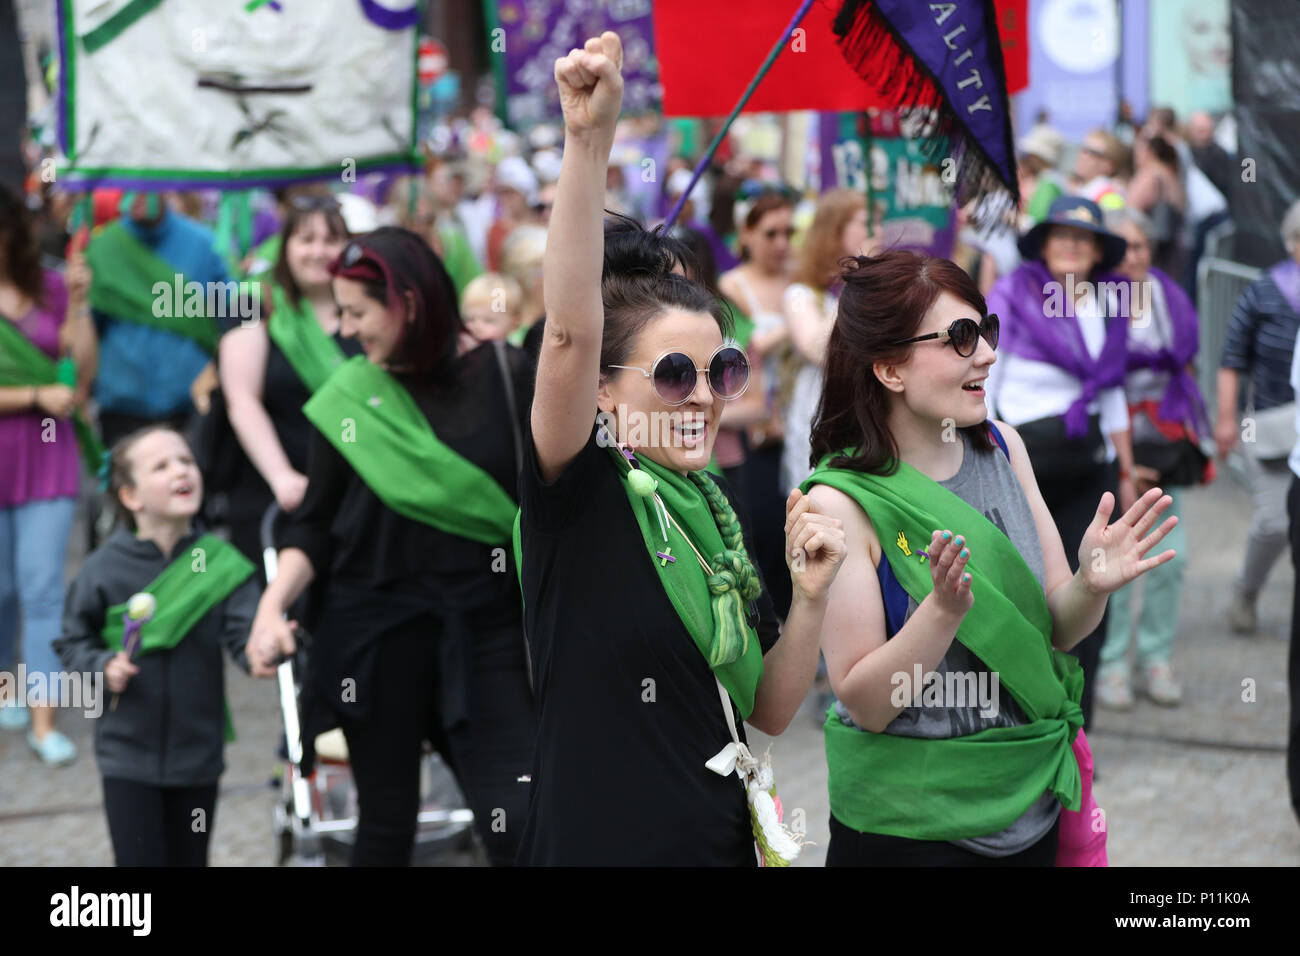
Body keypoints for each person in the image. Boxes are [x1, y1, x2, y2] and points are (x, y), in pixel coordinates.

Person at [517, 32, 845, 866]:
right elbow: (565, 333)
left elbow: (771, 711)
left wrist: (809, 598)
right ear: (602, 387)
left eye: (721, 368)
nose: (703, 395)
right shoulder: (579, 490)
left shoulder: (709, 511)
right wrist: (588, 141)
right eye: (672, 373)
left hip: (716, 844)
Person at [800, 248, 1177, 865]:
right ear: (890, 370)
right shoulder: (841, 502)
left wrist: (1092, 584)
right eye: (960, 337)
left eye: (986, 329)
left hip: (1030, 804)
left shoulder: (1005, 446)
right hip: (910, 828)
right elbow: (866, 702)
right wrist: (942, 612)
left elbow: (1059, 625)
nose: (988, 354)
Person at [245, 227, 537, 866]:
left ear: (408, 300)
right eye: (339, 312)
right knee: (384, 827)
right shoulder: (352, 396)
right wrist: (271, 607)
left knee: (519, 821)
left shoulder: (507, 374)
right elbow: (313, 525)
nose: (348, 330)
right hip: (376, 636)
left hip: (486, 629)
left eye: (357, 312)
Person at [54, 426, 260, 865]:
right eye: (162, 466)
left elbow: (247, 639)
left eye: (185, 460)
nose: (181, 470)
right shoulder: (103, 569)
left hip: (199, 756)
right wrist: (102, 666)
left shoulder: (218, 563)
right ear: (131, 496)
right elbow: (71, 642)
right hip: (127, 758)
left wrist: (269, 649)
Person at [984, 196, 1138, 731]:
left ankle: (1078, 726)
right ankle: (1025, 716)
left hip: (1088, 471)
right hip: (1023, 467)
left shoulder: (1109, 304)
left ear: (1097, 251)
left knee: (1093, 587)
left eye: (1084, 238)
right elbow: (986, 381)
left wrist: (1128, 468)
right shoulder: (1010, 294)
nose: (1072, 245)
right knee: (1026, 588)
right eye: (1062, 235)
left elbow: (1110, 390)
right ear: (1044, 245)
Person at [1097, 208, 1211, 709]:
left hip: (1164, 440)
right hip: (1115, 444)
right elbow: (1097, 379)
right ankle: (1112, 663)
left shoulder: (1170, 295)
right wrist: (1122, 459)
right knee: (1121, 560)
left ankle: (1156, 656)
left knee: (1171, 557)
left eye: (1140, 245)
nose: (1132, 256)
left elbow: (1185, 362)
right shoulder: (1092, 301)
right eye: (1121, 247)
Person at [0, 184, 98, 762]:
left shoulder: (54, 289)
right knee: (3, 589)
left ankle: (43, 718)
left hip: (48, 453)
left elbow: (82, 376)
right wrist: (34, 391)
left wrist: (82, 306)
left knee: (41, 586)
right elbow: (51, 387)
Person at [217, 194, 359, 567]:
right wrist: (282, 477)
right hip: (278, 493)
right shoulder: (255, 306)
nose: (319, 251)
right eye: (306, 240)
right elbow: (243, 402)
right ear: (285, 248)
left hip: (360, 488)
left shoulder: (368, 313)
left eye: (331, 240)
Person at [84, 191, 233, 447]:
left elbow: (235, 317)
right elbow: (88, 330)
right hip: (122, 408)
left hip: (191, 407)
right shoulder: (103, 248)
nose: (137, 196)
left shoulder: (203, 243)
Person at [1216, 199, 1300, 635]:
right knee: (1274, 521)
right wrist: (1227, 418)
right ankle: (1247, 589)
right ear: (1293, 243)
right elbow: (1233, 358)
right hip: (1268, 424)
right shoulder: (1266, 291)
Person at [718, 182, 798, 616]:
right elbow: (740, 354)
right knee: (766, 525)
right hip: (756, 428)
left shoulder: (803, 280)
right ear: (746, 235)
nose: (782, 243)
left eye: (789, 232)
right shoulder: (731, 287)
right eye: (770, 233)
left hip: (802, 418)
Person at [782, 188, 873, 496]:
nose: (873, 231)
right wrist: (856, 281)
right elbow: (818, 350)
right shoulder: (800, 294)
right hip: (818, 415)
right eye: (863, 222)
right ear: (835, 230)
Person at [1126, 134, 1186, 278]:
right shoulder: (1172, 174)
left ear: (1149, 152)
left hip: (1151, 249)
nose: (1136, 156)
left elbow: (1129, 209)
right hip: (1171, 250)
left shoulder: (1150, 174)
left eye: (1139, 150)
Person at [1069, 130, 1129, 211]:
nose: (1083, 156)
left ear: (1109, 165)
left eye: (1092, 153)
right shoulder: (1080, 191)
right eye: (1084, 150)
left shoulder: (1111, 199)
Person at [460, 272, 524, 343]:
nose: (477, 327)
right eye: (470, 319)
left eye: (488, 321)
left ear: (513, 325)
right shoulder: (460, 350)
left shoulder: (514, 353)